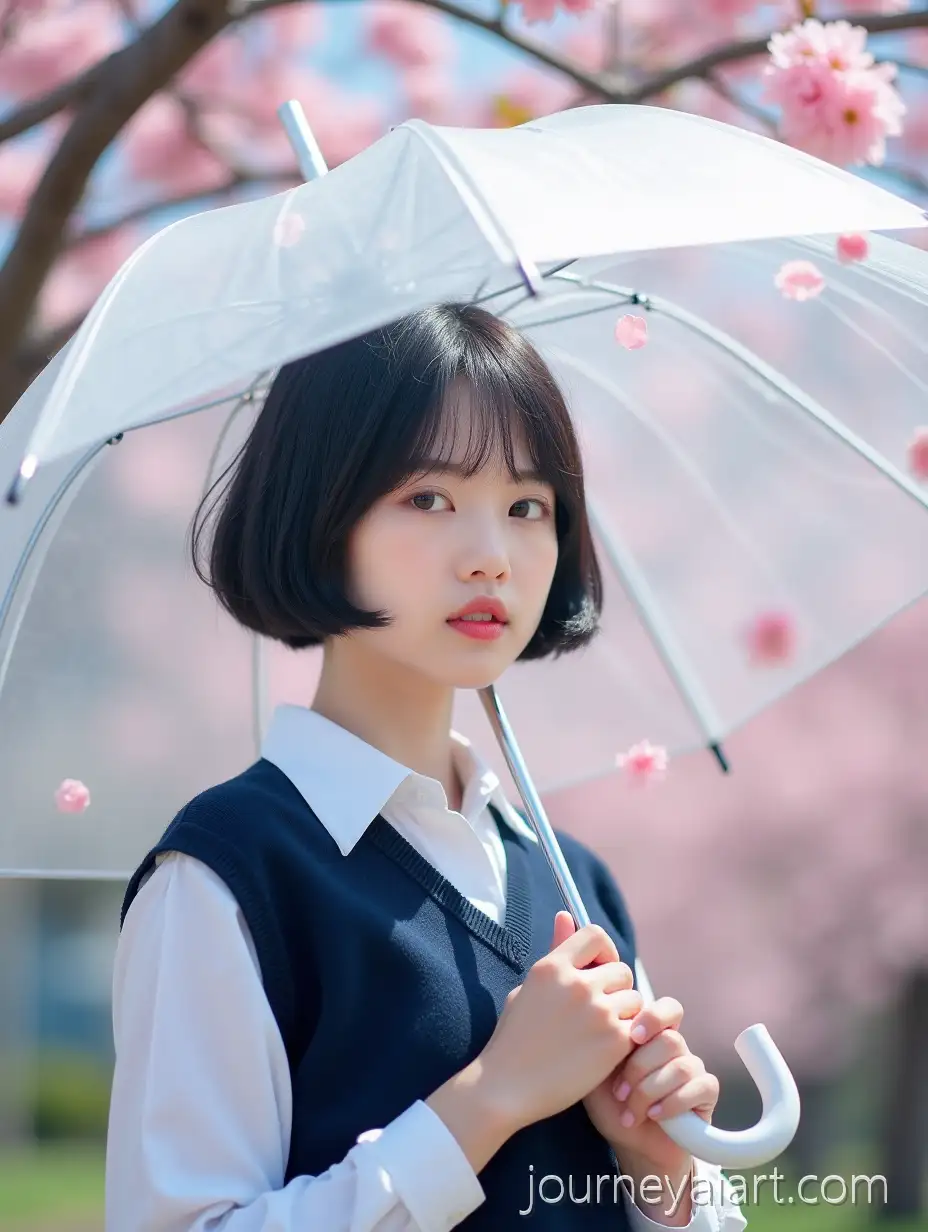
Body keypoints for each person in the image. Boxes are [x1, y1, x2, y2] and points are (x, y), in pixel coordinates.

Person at [106, 303, 747, 1230]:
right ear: (319, 515)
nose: (492, 558)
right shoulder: (229, 878)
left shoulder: (573, 878)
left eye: (529, 507)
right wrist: (490, 1098)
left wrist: (663, 1176)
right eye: (430, 499)